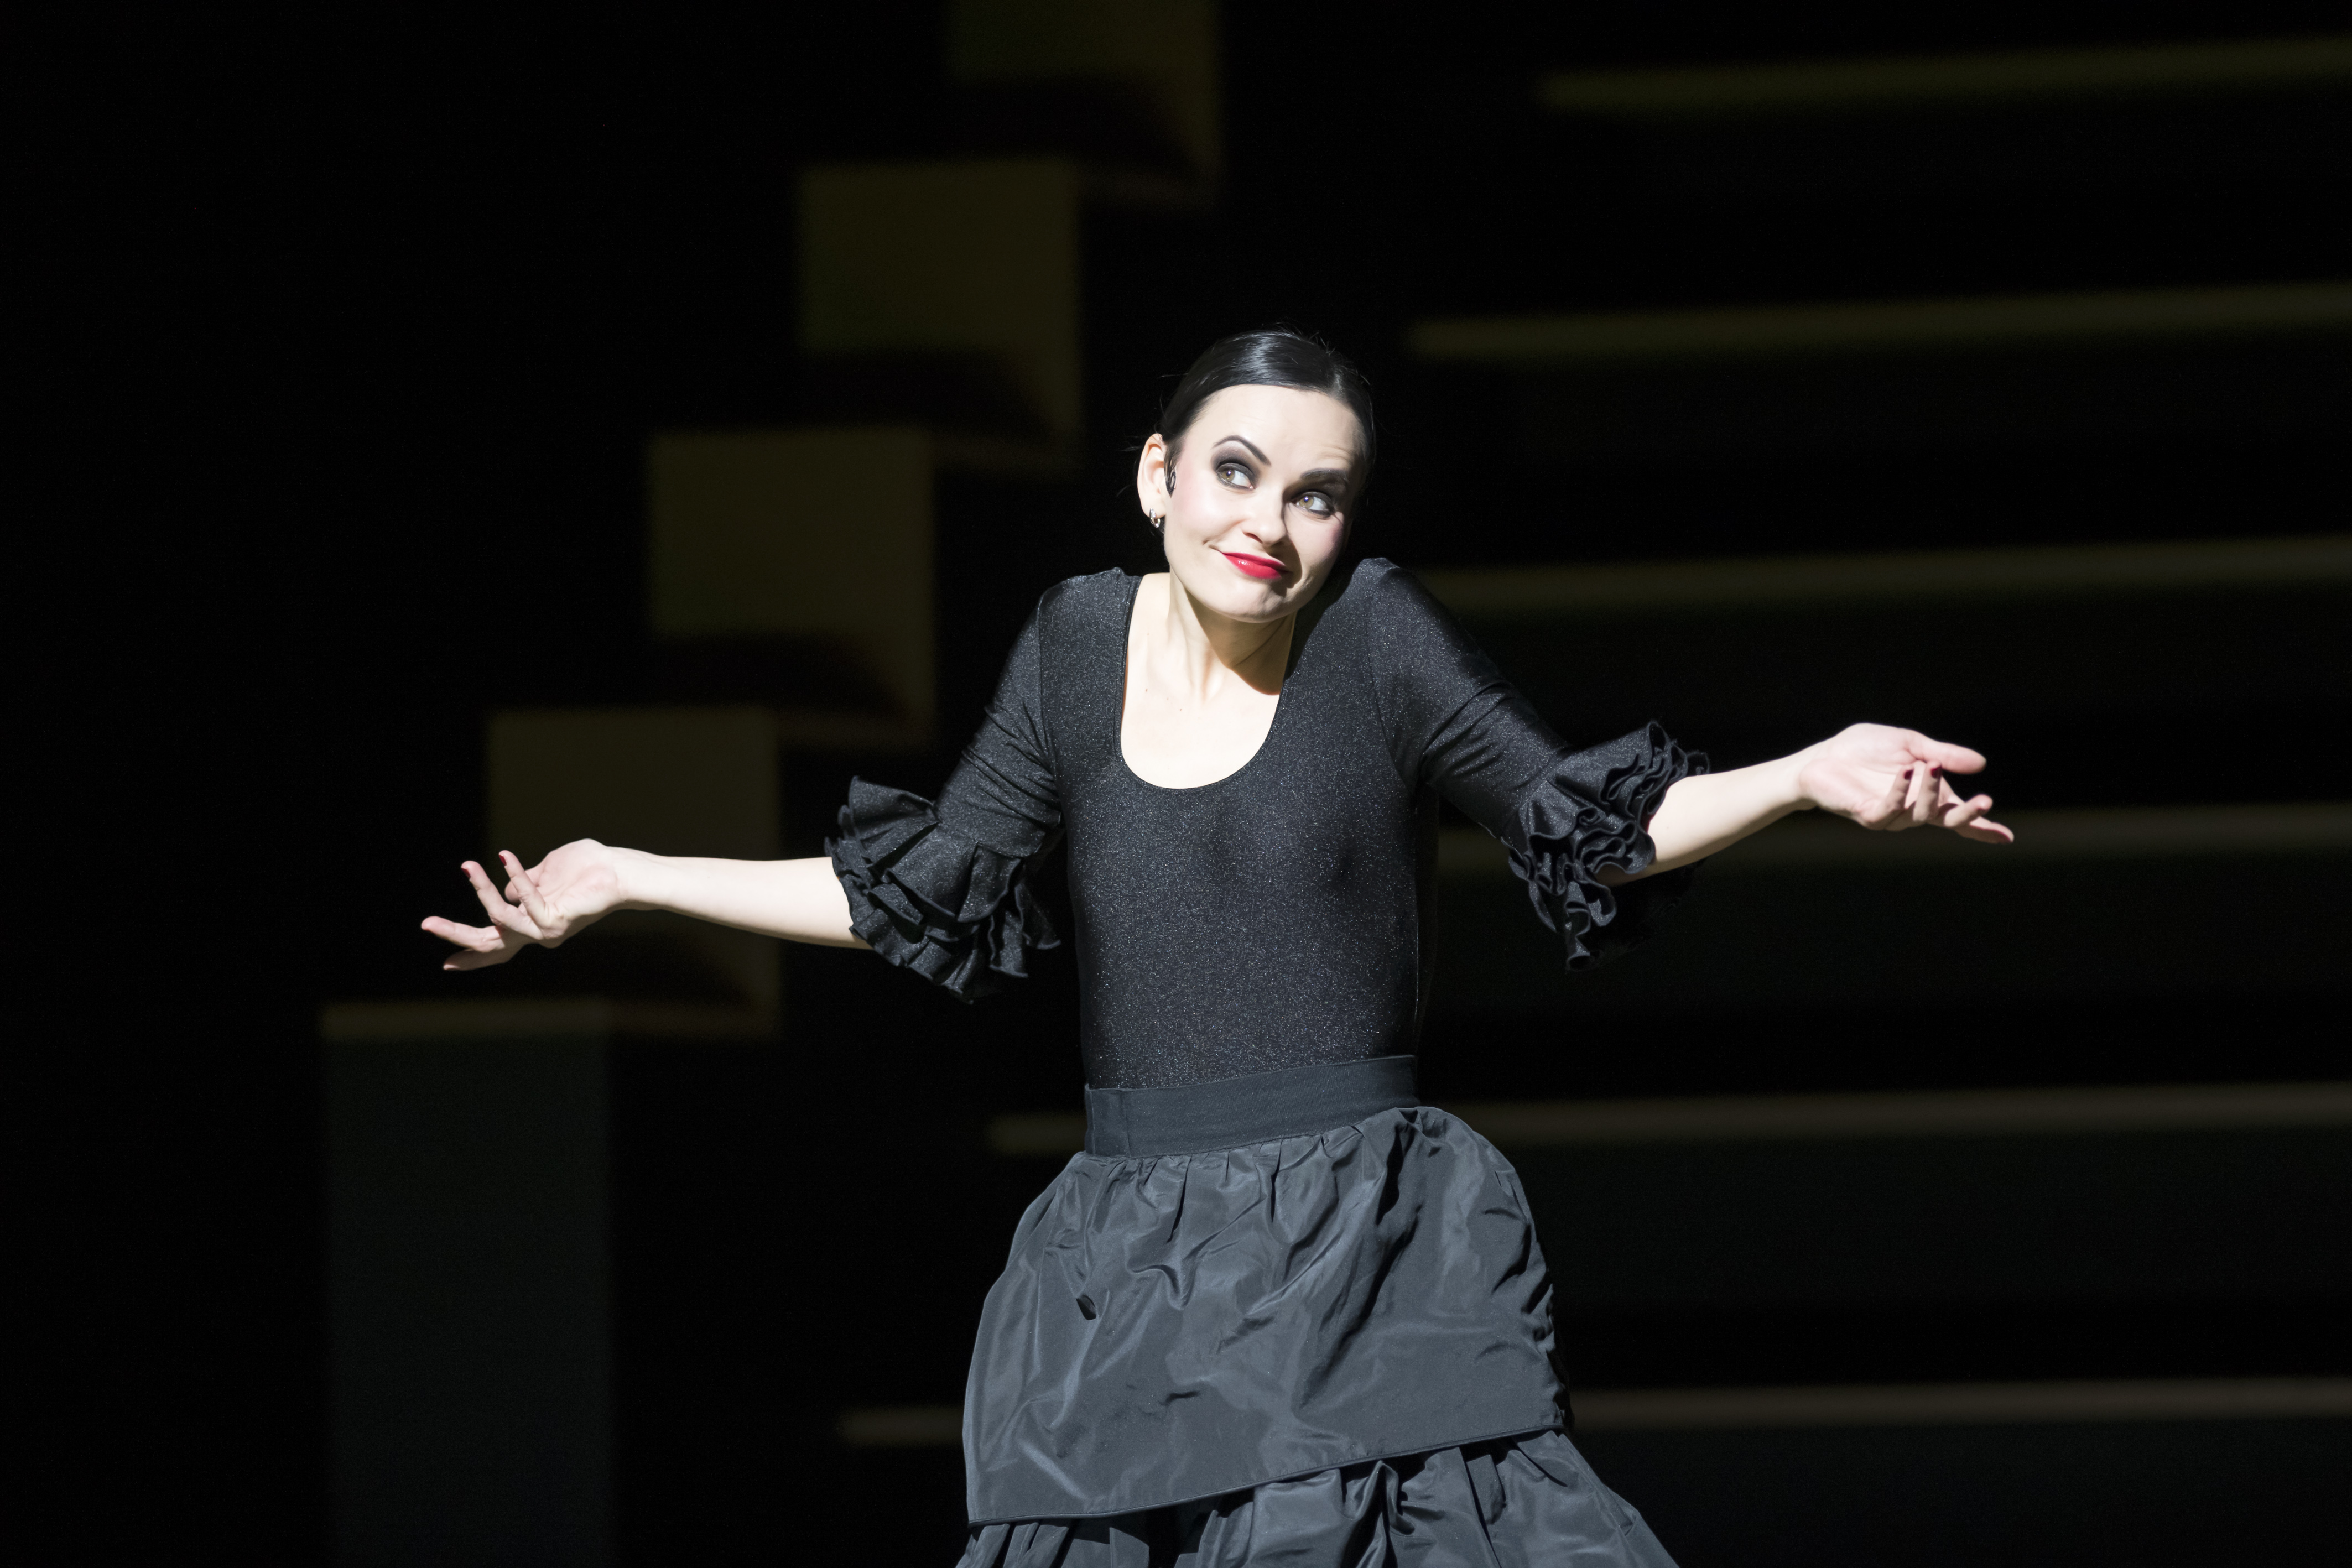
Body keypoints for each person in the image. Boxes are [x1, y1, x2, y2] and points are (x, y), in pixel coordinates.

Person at [426, 329, 2011, 1566]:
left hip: (1361, 1248)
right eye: (1236, 472)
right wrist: (627, 873)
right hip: (1127, 1265)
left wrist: (1804, 772)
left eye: (1314, 493)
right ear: (1155, 476)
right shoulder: (1068, 643)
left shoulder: (1375, 629)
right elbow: (923, 890)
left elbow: (1579, 827)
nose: (1270, 522)